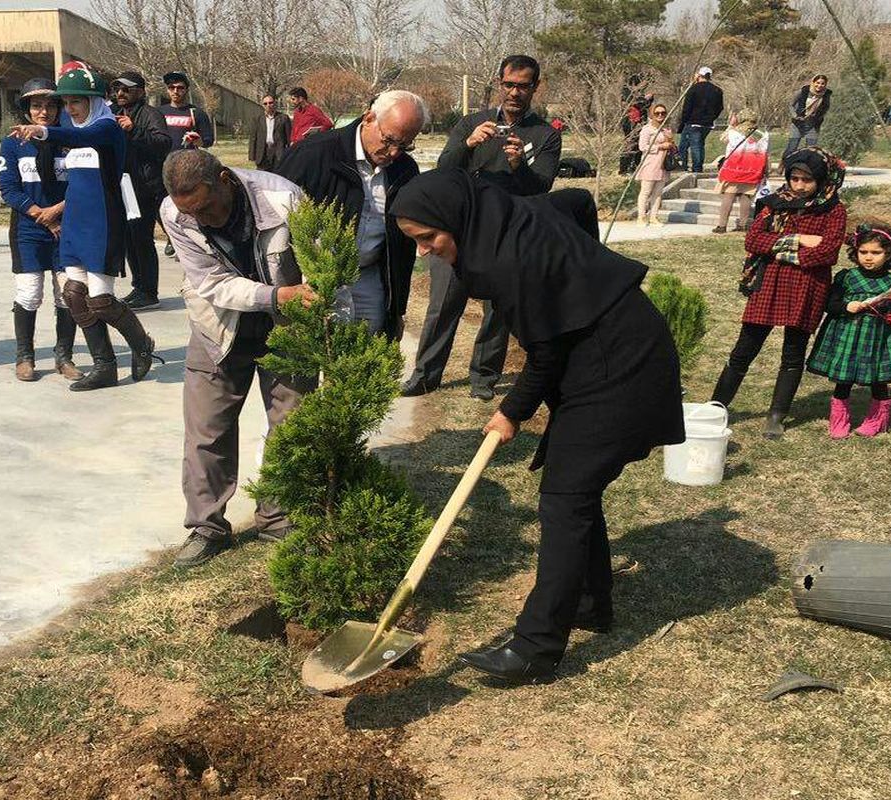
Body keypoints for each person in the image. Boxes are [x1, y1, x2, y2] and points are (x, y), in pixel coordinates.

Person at [391, 170, 684, 683]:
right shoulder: (506, 217)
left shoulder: (510, 259)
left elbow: (542, 358)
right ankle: (590, 603)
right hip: (599, 350)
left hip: (620, 363)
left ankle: (536, 647)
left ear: (455, 220)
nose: (424, 252)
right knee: (575, 490)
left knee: (565, 497)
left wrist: (510, 413)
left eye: (427, 239)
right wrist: (580, 276)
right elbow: (574, 201)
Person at [159, 149, 318, 567]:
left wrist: (317, 307)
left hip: (289, 326)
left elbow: (320, 263)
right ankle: (206, 527)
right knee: (206, 431)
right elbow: (211, 282)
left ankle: (278, 516)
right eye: (190, 211)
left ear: (225, 180)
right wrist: (272, 296)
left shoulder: (283, 198)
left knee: (291, 423)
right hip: (219, 327)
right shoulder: (175, 214)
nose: (202, 219)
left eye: (207, 207)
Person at [401, 55, 562, 400]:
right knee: (443, 305)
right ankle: (425, 375)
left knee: (498, 311)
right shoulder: (471, 123)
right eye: (509, 84)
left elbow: (541, 187)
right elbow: (444, 168)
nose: (515, 92)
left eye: (523, 86)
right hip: (456, 231)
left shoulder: (545, 135)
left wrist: (519, 164)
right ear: (499, 83)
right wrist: (469, 143)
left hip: (506, 236)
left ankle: (483, 378)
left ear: (535, 87)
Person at [10, 65, 160, 392]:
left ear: (95, 100)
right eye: (66, 102)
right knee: (74, 295)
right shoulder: (70, 123)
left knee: (101, 300)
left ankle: (141, 344)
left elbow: (82, 137)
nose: (70, 108)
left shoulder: (106, 127)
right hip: (74, 222)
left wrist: (43, 131)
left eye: (78, 101)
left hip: (103, 223)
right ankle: (104, 364)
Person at [711, 146, 848, 439]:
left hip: (807, 286)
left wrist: (779, 247)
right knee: (743, 350)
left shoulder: (833, 208)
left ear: (821, 180)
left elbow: (827, 252)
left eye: (806, 180)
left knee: (793, 354)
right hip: (769, 282)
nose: (798, 185)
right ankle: (716, 407)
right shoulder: (774, 203)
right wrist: (798, 239)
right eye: (794, 178)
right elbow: (754, 240)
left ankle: (776, 415)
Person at [277, 90, 425, 338]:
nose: (394, 153)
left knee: (362, 361)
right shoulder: (311, 155)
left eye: (404, 144)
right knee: (308, 361)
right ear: (368, 119)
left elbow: (403, 245)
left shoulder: (405, 170)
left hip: (369, 278)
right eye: (389, 140)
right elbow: (274, 218)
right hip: (312, 279)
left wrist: (397, 308)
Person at [0, 78, 82, 383]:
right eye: (36, 105)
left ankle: (64, 357)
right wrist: (42, 216)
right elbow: (8, 189)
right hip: (28, 230)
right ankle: (25, 356)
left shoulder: (71, 140)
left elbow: (80, 184)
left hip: (66, 227)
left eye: (49, 105)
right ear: (26, 109)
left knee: (69, 295)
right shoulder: (12, 143)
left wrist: (57, 212)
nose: (43, 111)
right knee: (30, 294)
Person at [807, 222, 891, 438]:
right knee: (844, 379)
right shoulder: (846, 277)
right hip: (846, 334)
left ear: (889, 254)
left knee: (877, 379)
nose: (868, 257)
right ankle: (839, 420)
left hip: (875, 338)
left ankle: (877, 420)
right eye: (863, 252)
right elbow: (829, 304)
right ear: (855, 251)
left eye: (876, 252)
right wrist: (845, 306)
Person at [110, 71, 172, 310]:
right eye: (118, 89)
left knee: (142, 238)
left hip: (146, 187)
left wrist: (134, 129)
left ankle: (149, 290)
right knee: (128, 238)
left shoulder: (150, 114)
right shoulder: (115, 112)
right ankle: (139, 286)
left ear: (141, 91)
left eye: (126, 89)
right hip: (124, 185)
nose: (121, 93)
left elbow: (163, 144)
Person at [713, 108, 769, 234]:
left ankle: (722, 225)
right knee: (746, 196)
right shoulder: (761, 133)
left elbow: (722, 139)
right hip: (753, 169)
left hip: (733, 169)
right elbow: (765, 151)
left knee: (729, 196)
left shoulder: (734, 132)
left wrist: (730, 125)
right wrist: (766, 170)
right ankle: (743, 225)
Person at [676, 67, 723, 173]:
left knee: (690, 146)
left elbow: (687, 108)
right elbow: (720, 108)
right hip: (707, 124)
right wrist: (711, 117)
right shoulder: (717, 90)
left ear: (699, 75)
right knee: (699, 144)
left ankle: (693, 168)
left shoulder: (693, 89)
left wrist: (683, 122)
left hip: (693, 122)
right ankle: (694, 167)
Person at [635, 103, 673, 226]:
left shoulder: (666, 129)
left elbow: (671, 145)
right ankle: (641, 217)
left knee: (658, 193)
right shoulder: (647, 129)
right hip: (650, 163)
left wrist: (670, 141)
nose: (660, 115)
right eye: (657, 113)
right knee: (646, 191)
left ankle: (653, 217)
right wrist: (660, 146)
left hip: (663, 164)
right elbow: (642, 147)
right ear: (652, 115)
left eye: (663, 113)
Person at [159, 71, 214, 151]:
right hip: (163, 161)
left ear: (187, 90)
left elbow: (209, 140)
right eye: (171, 87)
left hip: (187, 160)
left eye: (180, 88)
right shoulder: (158, 112)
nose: (175, 91)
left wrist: (200, 141)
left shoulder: (197, 113)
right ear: (167, 90)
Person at [783, 75, 830, 163]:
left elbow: (826, 108)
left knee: (811, 149)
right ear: (813, 82)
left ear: (825, 85)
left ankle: (806, 168)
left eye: (823, 84)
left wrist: (819, 117)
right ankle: (784, 164)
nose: (820, 85)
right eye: (818, 83)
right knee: (792, 148)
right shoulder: (803, 91)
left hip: (813, 125)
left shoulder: (826, 94)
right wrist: (795, 115)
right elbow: (790, 104)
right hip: (798, 123)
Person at [248, 94, 291, 171]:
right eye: (265, 103)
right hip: (262, 153)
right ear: (263, 105)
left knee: (278, 177)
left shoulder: (284, 118)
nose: (268, 105)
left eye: (270, 102)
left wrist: (289, 154)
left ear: (275, 103)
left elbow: (289, 138)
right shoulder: (257, 119)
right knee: (262, 178)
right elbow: (253, 138)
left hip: (278, 153)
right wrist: (252, 155)